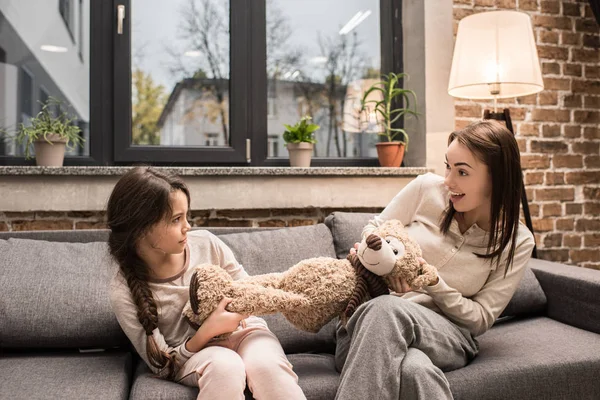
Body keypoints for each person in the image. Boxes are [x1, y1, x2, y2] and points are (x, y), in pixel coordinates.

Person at [335, 120, 535, 400]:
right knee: (415, 371)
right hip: (363, 329)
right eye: (448, 166)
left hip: (446, 336)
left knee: (387, 310)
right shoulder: (426, 188)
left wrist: (430, 281)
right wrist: (384, 255)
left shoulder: (518, 241)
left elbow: (481, 319)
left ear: (496, 178)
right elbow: (375, 228)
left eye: (462, 172)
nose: (449, 181)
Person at [107, 167, 306, 400]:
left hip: (245, 332)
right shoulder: (123, 291)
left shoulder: (207, 244)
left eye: (186, 216)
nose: (187, 226)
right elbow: (162, 364)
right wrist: (207, 332)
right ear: (141, 227)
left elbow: (249, 290)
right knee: (225, 366)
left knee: (267, 366)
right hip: (193, 355)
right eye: (176, 219)